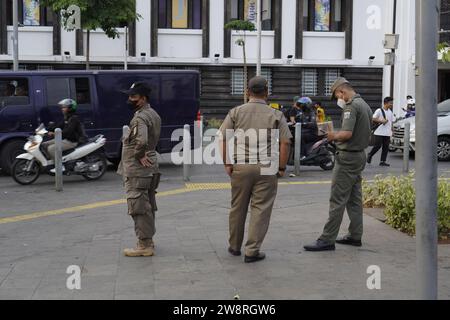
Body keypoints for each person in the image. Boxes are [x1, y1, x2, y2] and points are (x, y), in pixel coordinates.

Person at [219, 76, 292, 263]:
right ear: (267, 93)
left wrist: (227, 163)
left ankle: (234, 247)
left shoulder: (236, 112)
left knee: (237, 207)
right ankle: (252, 251)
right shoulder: (276, 114)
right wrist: (282, 167)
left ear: (247, 92)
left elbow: (223, 138)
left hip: (240, 165)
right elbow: (285, 142)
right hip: (267, 167)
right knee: (261, 208)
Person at [304, 77, 373, 251]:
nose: (338, 100)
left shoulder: (351, 106)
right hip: (359, 156)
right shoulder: (365, 104)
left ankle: (327, 239)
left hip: (348, 158)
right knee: (354, 199)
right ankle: (355, 236)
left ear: (342, 92)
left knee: (337, 199)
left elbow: (347, 134)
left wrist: (331, 135)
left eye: (337, 96)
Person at [118, 82, 162, 257]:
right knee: (147, 205)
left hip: (138, 170)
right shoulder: (153, 114)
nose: (130, 99)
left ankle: (144, 245)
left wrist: (138, 154)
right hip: (151, 166)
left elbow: (141, 141)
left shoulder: (140, 118)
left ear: (143, 99)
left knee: (138, 206)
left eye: (133, 97)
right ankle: (148, 239)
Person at [367, 97, 396, 167]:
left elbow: (391, 122)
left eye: (392, 103)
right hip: (379, 132)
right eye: (390, 103)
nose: (392, 104)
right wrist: (381, 121)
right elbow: (372, 118)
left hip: (387, 133)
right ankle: (370, 154)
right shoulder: (379, 110)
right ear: (386, 103)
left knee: (386, 147)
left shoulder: (390, 112)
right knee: (378, 146)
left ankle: (383, 161)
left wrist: (392, 130)